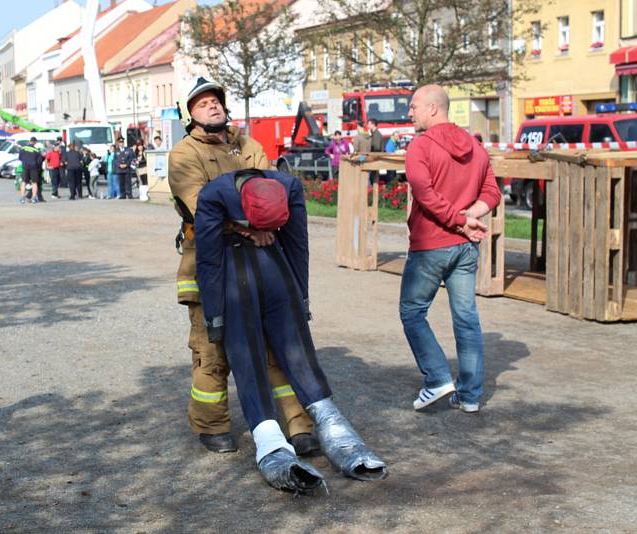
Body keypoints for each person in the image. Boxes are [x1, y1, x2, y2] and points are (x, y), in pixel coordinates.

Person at [195, 168, 388, 492]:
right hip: (247, 272)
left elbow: (297, 244)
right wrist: (215, 314)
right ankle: (272, 441)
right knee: (248, 358)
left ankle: (325, 430)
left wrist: (301, 299)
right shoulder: (215, 194)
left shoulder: (288, 188)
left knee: (292, 353)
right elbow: (210, 258)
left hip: (262, 271)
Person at [168, 76, 316, 455]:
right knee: (212, 348)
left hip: (260, 258)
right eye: (202, 104)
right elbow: (202, 205)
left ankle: (298, 426)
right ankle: (212, 425)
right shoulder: (184, 154)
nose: (212, 106)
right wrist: (252, 227)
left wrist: (263, 224)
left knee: (275, 345)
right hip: (210, 263)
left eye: (215, 100)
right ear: (191, 116)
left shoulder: (248, 146)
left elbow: (272, 192)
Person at [401, 84, 502, 414]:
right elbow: (492, 193)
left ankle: (437, 379)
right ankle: (470, 396)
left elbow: (425, 195)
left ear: (433, 108)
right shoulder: (475, 146)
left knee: (412, 311)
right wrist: (470, 217)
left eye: (414, 106)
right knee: (467, 319)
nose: (409, 112)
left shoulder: (420, 147)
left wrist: (461, 219)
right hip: (465, 247)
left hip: (431, 245)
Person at [18, 137, 44, 204]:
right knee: (34, 183)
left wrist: (25, 162)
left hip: (25, 167)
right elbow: (39, 161)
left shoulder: (23, 148)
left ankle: (22, 198)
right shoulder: (37, 151)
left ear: (29, 141)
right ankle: (34, 198)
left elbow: (20, 158)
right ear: (35, 142)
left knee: (24, 182)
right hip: (33, 168)